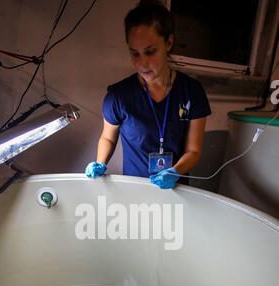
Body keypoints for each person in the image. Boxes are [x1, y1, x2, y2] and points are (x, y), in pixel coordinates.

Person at [85, 0, 211, 189]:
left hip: (177, 189)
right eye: (135, 53)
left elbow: (193, 150)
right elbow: (108, 138)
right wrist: (101, 162)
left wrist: (175, 171)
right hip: (135, 190)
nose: (142, 63)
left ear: (169, 42)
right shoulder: (118, 96)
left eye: (150, 52)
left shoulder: (191, 92)